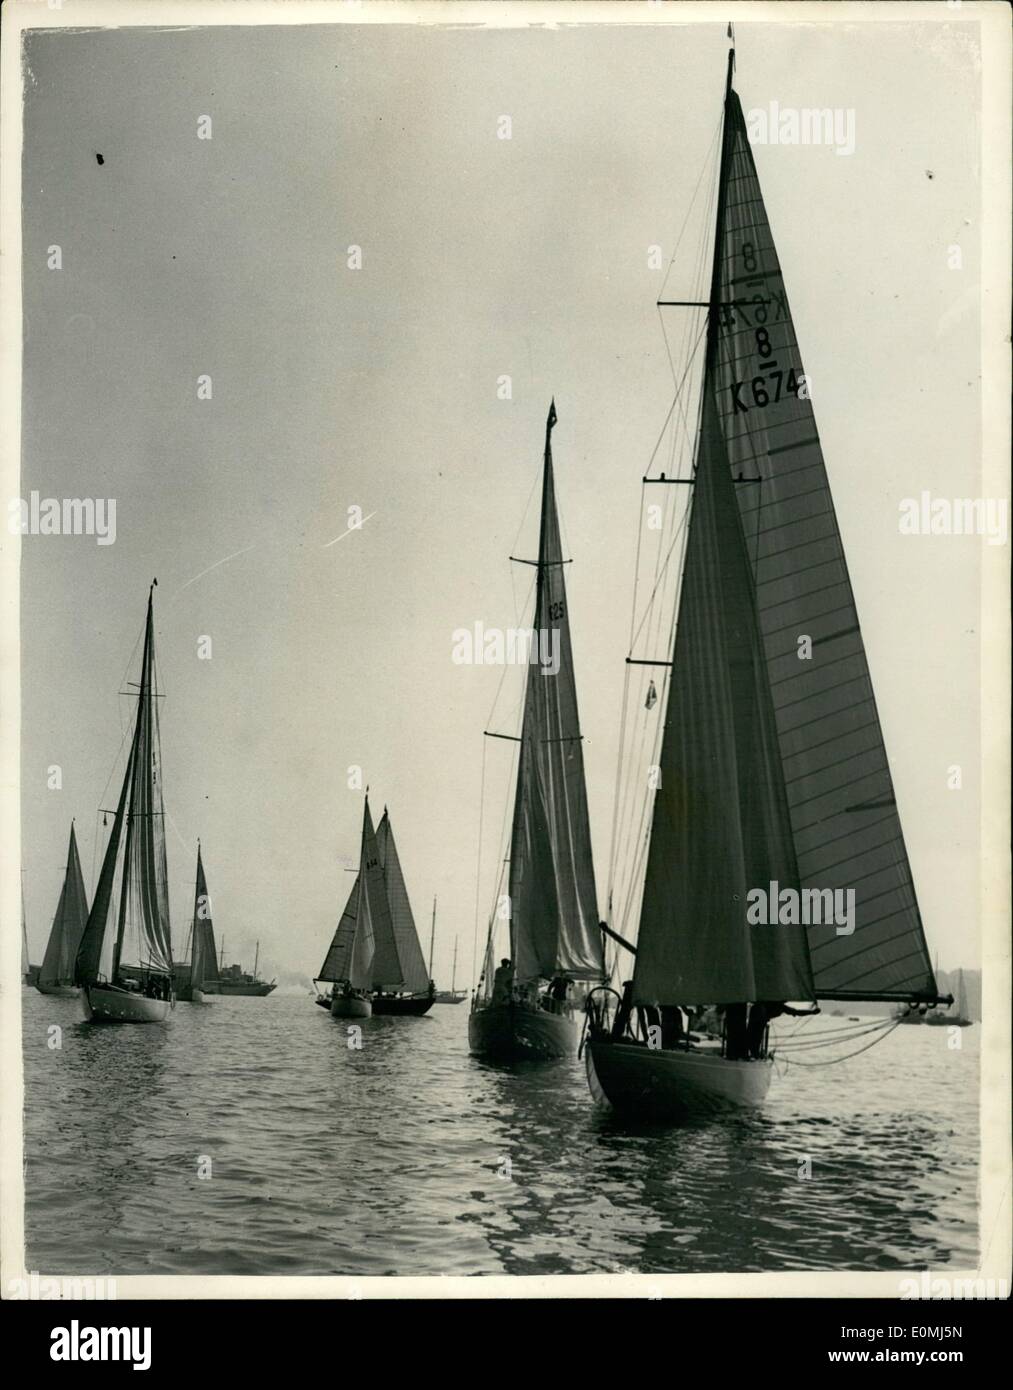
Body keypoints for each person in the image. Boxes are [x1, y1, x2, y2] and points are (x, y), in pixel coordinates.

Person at [746, 1000, 820, 1058]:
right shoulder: (765, 1004)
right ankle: (752, 1053)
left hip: (761, 1021)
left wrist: (812, 1012)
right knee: (754, 1037)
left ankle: (753, 1053)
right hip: (757, 1020)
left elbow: (796, 1012)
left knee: (756, 1039)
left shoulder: (781, 1007)